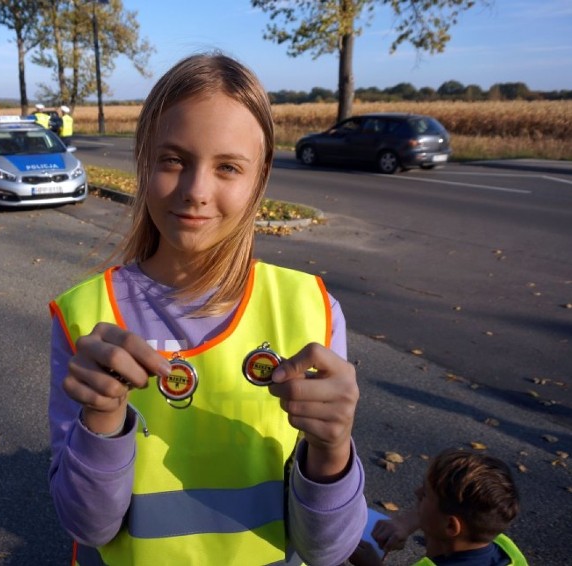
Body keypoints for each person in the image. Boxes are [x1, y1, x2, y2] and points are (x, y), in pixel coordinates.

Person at [48, 52, 366, 565]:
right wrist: (101, 419)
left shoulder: (312, 311)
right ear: (143, 162)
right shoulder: (86, 318)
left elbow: (327, 551)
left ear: (260, 178)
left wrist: (333, 450)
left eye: (227, 168)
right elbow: (88, 526)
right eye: (173, 160)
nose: (196, 191)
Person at [349, 449, 525, 566]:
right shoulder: (503, 546)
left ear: (451, 526)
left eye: (425, 494)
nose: (417, 493)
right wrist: (408, 521)